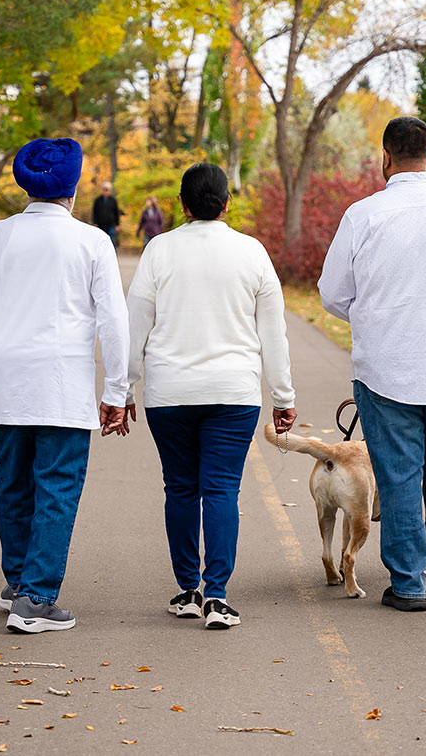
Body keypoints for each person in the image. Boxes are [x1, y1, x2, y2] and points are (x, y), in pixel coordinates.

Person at [0, 137, 129, 634]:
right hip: (61, 377)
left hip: (7, 376)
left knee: (15, 482)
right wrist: (116, 389)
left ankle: (18, 581)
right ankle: (38, 598)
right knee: (58, 485)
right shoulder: (91, 242)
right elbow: (113, 320)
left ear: (24, 183)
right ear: (72, 186)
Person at [318, 116, 426, 612]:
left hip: (387, 368)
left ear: (385, 159)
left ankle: (408, 582)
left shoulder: (363, 215)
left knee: (397, 477)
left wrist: (374, 317)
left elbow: (332, 293)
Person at [126, 163, 297, 630]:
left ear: (182, 205)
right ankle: (217, 597)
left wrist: (123, 387)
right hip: (233, 392)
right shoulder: (252, 252)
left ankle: (187, 590)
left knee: (180, 487)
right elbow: (273, 333)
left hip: (170, 393)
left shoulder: (159, 251)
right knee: (221, 488)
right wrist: (283, 396)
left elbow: (136, 324)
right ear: (226, 204)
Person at [92, 180, 122, 248]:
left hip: (111, 224)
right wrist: (95, 222)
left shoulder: (113, 200)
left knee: (111, 240)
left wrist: (117, 224)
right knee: (101, 240)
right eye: (104, 189)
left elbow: (116, 213)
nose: (105, 191)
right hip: (100, 224)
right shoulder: (97, 200)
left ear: (109, 190)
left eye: (107, 189)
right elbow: (94, 212)